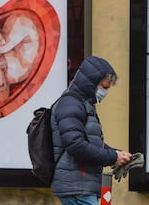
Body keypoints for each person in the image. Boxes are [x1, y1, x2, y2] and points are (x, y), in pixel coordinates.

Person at [50, 56, 132, 205]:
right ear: (91, 82)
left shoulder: (83, 104)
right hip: (76, 187)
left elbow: (91, 142)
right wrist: (112, 157)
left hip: (80, 186)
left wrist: (118, 155)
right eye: (104, 87)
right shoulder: (71, 104)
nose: (105, 92)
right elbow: (75, 145)